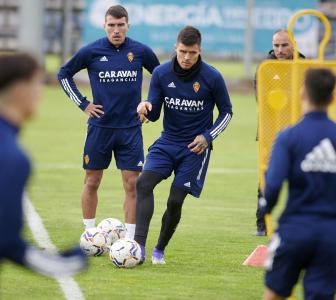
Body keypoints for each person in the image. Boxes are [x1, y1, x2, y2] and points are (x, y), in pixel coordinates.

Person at [262, 68, 336, 300]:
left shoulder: (288, 137)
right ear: (333, 98)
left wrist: (266, 208)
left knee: (274, 294)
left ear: (302, 92)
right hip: (331, 235)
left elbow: (273, 185)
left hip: (294, 231)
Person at [58, 5, 160, 238]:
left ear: (127, 26)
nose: (116, 30)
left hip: (130, 129)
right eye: (111, 25)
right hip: (100, 128)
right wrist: (84, 104)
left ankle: (131, 240)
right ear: (104, 25)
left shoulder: (141, 51)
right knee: (92, 180)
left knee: (132, 184)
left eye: (120, 25)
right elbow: (64, 74)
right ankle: (89, 234)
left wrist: (149, 104)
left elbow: (161, 77)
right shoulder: (91, 51)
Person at [135, 26, 233, 264]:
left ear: (199, 51)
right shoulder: (161, 73)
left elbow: (227, 112)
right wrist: (146, 108)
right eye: (182, 52)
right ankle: (138, 247)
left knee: (175, 201)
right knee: (143, 183)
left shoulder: (212, 77)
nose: (187, 57)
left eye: (192, 52)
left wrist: (207, 137)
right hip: (168, 142)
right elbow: (155, 112)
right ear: (175, 49)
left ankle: (159, 249)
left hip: (194, 149)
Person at [0, 53, 86, 278]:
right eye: (37, 85)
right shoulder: (12, 156)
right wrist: (65, 264)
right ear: (20, 90)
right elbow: (6, 240)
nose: (41, 94)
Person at [255, 29, 306, 236]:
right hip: (271, 133)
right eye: (276, 45)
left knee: (303, 178)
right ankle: (262, 223)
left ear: (293, 44)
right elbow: (263, 100)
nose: (279, 50)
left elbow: (307, 100)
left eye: (284, 45)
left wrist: (283, 97)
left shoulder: (305, 67)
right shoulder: (265, 67)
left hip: (300, 133)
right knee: (266, 178)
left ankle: (301, 223)